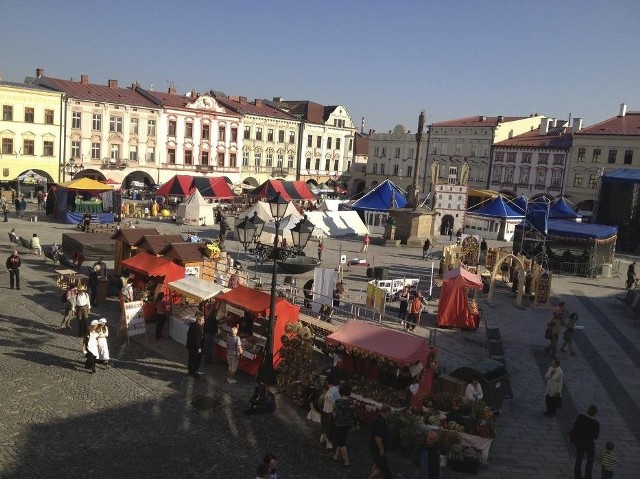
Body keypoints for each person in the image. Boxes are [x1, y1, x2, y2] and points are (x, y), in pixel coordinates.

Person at [571, 405, 599, 479]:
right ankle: (588, 476)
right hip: (590, 443)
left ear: (587, 410)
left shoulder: (580, 417)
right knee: (590, 460)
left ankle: (577, 476)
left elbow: (575, 428)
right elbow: (596, 436)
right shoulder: (596, 423)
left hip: (579, 442)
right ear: (595, 413)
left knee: (579, 458)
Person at [368, 405, 393, 479]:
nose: (390, 414)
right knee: (381, 468)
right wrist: (381, 450)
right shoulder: (380, 421)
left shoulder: (377, 417)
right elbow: (378, 438)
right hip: (377, 448)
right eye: (389, 413)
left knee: (377, 463)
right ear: (387, 412)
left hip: (374, 446)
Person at [332, 382, 354, 468]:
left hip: (339, 424)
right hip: (348, 424)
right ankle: (336, 456)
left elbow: (334, 414)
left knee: (341, 442)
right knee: (341, 439)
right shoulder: (351, 402)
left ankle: (347, 462)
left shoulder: (338, 402)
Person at [321, 376, 341, 450]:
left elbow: (333, 404)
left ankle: (329, 443)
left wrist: (333, 412)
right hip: (333, 412)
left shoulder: (330, 393)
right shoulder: (336, 389)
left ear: (327, 382)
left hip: (330, 412)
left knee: (329, 428)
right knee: (332, 429)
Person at [186, 311, 205, 377]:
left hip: (191, 346)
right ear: (199, 320)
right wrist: (199, 347)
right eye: (202, 320)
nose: (203, 321)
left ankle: (191, 370)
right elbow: (197, 339)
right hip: (195, 347)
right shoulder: (197, 328)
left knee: (191, 358)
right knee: (195, 359)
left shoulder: (193, 325)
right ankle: (193, 371)